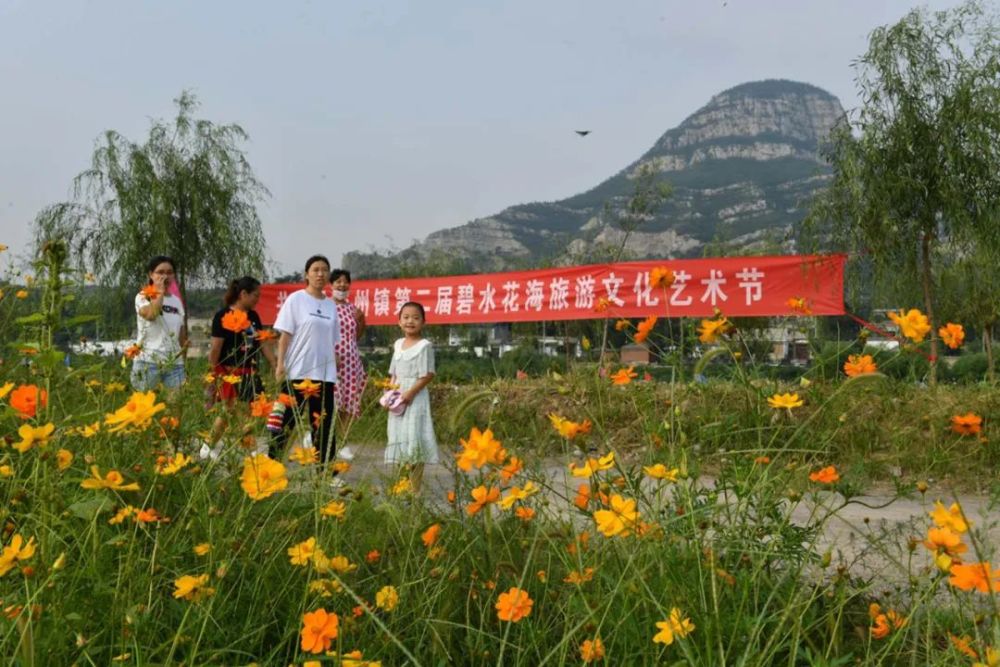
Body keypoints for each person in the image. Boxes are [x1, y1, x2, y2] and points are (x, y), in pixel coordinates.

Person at [272, 255, 340, 464]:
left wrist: (334, 370)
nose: (320, 274)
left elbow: (333, 342)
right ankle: (272, 466)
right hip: (298, 372)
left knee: (324, 426)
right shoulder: (296, 299)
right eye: (315, 269)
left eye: (324, 270)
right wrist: (280, 365)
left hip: (324, 375)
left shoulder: (331, 306)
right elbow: (285, 336)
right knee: (285, 423)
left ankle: (326, 473)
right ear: (307, 275)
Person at [206, 276, 277, 448]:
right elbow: (216, 348)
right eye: (255, 295)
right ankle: (212, 447)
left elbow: (262, 343)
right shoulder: (222, 316)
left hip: (250, 372)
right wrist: (211, 374)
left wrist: (275, 364)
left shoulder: (253, 316)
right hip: (230, 373)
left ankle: (239, 449)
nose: (257, 300)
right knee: (231, 412)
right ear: (243, 294)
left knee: (244, 414)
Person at [384, 301, 439, 492]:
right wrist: (389, 392)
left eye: (416, 318)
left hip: (415, 398)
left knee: (414, 439)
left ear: (423, 322)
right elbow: (394, 373)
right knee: (399, 439)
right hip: (398, 398)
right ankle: (401, 487)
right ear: (399, 321)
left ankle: (414, 490)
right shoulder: (398, 344)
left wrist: (410, 393)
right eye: (406, 317)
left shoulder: (425, 346)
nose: (410, 321)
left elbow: (428, 374)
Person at [131, 255, 187, 391]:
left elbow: (182, 335)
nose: (165, 276)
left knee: (176, 407)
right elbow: (151, 315)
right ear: (151, 274)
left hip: (174, 364)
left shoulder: (176, 301)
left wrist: (183, 361)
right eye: (160, 272)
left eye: (169, 272)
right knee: (145, 408)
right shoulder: (143, 296)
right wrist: (160, 292)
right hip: (148, 362)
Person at [330, 269, 367, 423]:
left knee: (349, 401)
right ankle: (324, 438)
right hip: (332, 358)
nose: (342, 285)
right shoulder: (326, 305)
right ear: (331, 284)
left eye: (346, 282)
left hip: (351, 360)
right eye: (338, 281)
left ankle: (343, 441)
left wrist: (360, 321)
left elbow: (356, 335)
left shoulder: (353, 309)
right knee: (333, 401)